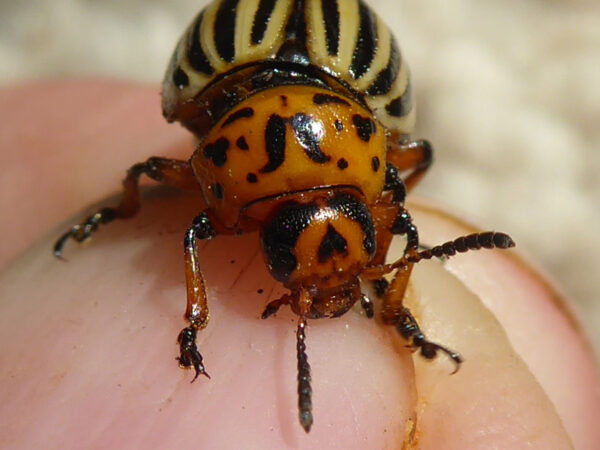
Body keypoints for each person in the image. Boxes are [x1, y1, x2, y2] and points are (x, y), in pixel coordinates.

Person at [0, 81, 598, 448]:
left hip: (322, 113)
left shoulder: (332, 172)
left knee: (406, 220)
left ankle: (396, 310)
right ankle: (393, 312)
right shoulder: (232, 182)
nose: (329, 275)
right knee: (403, 219)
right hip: (258, 104)